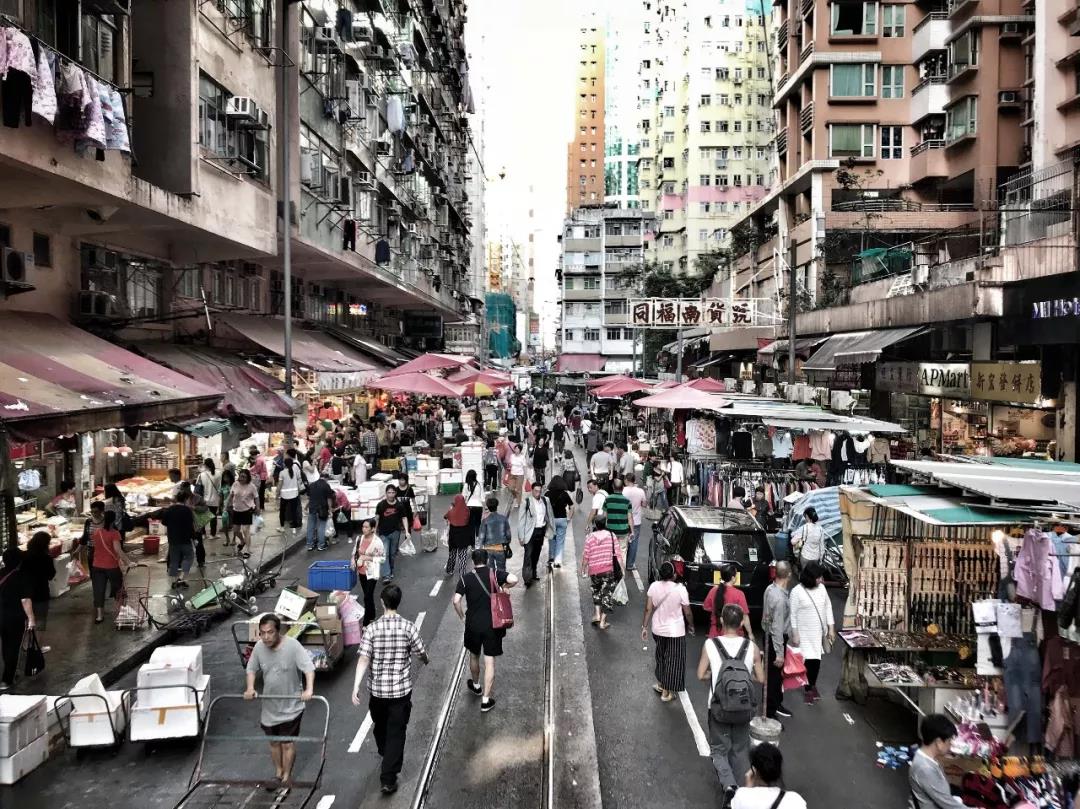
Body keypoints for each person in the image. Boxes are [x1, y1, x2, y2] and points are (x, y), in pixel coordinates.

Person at [352, 583, 429, 795]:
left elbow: (363, 659)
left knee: (380, 725)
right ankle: (389, 775)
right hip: (400, 692)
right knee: (397, 731)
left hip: (377, 692)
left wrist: (356, 685)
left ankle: (386, 765)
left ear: (382, 602)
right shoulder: (409, 627)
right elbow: (420, 651)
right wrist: (425, 659)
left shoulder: (372, 629)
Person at [698, 603, 764, 804]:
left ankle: (729, 785)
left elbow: (701, 675)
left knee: (718, 749)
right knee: (739, 749)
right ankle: (740, 794)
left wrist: (716, 675)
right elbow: (760, 678)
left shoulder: (711, 645)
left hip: (718, 707)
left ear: (721, 621)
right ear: (741, 623)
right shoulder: (751, 647)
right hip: (744, 707)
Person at [244, 613, 315, 792]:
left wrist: (309, 689)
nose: (266, 637)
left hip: (291, 706)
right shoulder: (259, 647)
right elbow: (251, 668)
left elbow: (308, 668)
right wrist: (250, 688)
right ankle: (278, 772)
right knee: (274, 743)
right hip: (270, 706)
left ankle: (286, 777)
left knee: (287, 743)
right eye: (262, 633)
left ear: (278, 632)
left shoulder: (293, 646)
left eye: (270, 632)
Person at [453, 549, 518, 713]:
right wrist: (503, 586)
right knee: (489, 662)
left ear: (473, 561)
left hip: (473, 624)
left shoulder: (465, 578)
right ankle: (486, 700)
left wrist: (462, 617)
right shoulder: (495, 574)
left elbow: (456, 601)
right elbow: (515, 579)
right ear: (487, 559)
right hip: (492, 625)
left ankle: (476, 685)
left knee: (474, 655)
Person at [642, 561, 693, 702]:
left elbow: (648, 609)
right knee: (673, 660)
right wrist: (691, 625)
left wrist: (644, 627)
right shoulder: (680, 589)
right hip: (675, 632)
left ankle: (660, 683)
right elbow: (687, 612)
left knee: (661, 657)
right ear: (674, 575)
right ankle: (666, 693)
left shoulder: (654, 587)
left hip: (657, 630)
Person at [788, 561, 835, 704]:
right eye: (819, 577)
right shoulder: (797, 591)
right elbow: (792, 614)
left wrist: (831, 627)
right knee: (806, 661)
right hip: (804, 633)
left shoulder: (821, 589)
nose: (821, 580)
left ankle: (811, 686)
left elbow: (828, 607)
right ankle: (808, 687)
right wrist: (795, 633)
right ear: (810, 577)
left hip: (818, 633)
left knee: (816, 661)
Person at [909, 714, 965, 808]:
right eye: (949, 740)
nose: (951, 744)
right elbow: (950, 806)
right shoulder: (925, 769)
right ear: (938, 742)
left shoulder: (926, 758)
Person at [0, 547, 36, 691]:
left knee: (4, 646)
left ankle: (8, 675)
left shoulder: (1, 573)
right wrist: (31, 618)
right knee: (12, 648)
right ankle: (6, 680)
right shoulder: (21, 576)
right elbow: (25, 600)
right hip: (14, 618)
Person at [731, 743, 807, 809]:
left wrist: (748, 788)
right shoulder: (795, 800)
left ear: (754, 771)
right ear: (778, 771)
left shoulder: (741, 796)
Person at [90, 511, 135, 622]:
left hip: (97, 565)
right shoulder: (114, 533)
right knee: (119, 589)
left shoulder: (96, 532)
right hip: (111, 566)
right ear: (114, 520)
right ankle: (121, 612)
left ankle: (99, 616)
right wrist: (129, 562)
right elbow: (118, 550)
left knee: (98, 590)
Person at [762, 561, 793, 720]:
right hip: (776, 639)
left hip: (768, 635)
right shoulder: (780, 599)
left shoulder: (770, 589)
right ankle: (770, 712)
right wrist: (779, 653)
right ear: (788, 574)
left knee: (775, 676)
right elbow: (777, 628)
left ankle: (775, 703)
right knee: (773, 678)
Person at [580, 517, 623, 630]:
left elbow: (586, 555)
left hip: (594, 570)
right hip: (608, 570)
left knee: (596, 591)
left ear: (595, 524)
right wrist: (622, 569)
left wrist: (583, 568)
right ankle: (603, 621)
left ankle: (597, 614)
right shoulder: (612, 536)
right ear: (606, 523)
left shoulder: (590, 537)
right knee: (607, 594)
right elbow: (617, 554)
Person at [22, 531, 55, 652]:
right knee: (40, 620)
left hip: (25, 592)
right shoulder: (46, 558)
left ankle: (26, 645)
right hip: (41, 592)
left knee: (27, 619)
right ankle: (37, 647)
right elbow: (51, 575)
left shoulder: (24, 556)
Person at [703, 564, 752, 638]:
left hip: (715, 633)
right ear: (733, 578)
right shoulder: (739, 594)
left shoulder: (713, 590)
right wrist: (750, 633)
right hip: (734, 634)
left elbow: (706, 607)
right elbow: (745, 616)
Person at [160, 490, 197, 590]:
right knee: (189, 557)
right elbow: (190, 526)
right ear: (185, 499)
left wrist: (173, 525)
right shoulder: (187, 510)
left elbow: (164, 522)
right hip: (185, 539)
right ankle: (182, 578)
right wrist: (194, 538)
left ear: (176, 499)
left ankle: (174, 581)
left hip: (173, 539)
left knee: (174, 561)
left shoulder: (170, 509)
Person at [517, 482, 552, 587]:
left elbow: (549, 515)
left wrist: (550, 529)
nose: (538, 493)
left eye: (539, 491)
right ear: (532, 490)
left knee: (536, 554)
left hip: (540, 531)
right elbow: (521, 520)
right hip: (530, 533)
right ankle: (527, 579)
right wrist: (521, 536)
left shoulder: (545, 501)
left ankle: (533, 574)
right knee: (528, 555)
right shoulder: (526, 502)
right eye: (536, 491)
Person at [352, 519, 384, 627]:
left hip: (372, 572)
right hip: (361, 571)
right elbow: (355, 552)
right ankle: (372, 614)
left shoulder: (377, 542)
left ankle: (366, 622)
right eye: (363, 527)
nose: (364, 529)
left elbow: (382, 559)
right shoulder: (359, 539)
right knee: (367, 595)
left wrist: (367, 558)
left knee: (367, 596)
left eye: (366, 527)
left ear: (373, 529)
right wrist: (353, 560)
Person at [375, 484, 411, 582]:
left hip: (395, 532)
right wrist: (374, 532)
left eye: (392, 492)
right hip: (383, 533)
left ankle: (390, 570)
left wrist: (407, 531)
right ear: (386, 493)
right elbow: (377, 518)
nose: (391, 495)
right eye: (389, 492)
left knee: (392, 554)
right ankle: (386, 575)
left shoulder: (399, 505)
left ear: (395, 493)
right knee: (384, 553)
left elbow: (404, 518)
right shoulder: (381, 505)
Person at [227, 468, 260, 555]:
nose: (241, 478)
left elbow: (256, 497)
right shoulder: (235, 484)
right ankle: (242, 541)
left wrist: (258, 508)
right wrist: (226, 506)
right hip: (236, 510)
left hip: (247, 510)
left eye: (244, 477)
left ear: (247, 478)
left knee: (246, 530)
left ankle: (247, 549)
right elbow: (231, 495)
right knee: (236, 530)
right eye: (240, 476)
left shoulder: (251, 486)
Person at [304, 464, 334, 553]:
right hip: (322, 509)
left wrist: (306, 507)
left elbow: (310, 498)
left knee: (310, 526)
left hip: (312, 508)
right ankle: (321, 545)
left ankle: (310, 545)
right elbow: (329, 499)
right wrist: (330, 510)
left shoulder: (312, 485)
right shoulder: (326, 486)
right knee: (321, 526)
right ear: (326, 478)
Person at [477, 496, 512, 572]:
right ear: (497, 506)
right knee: (501, 570)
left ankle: (492, 583)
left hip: (488, 549)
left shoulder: (485, 521)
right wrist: (507, 542)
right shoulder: (503, 519)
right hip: (500, 548)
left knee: (490, 570)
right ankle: (501, 583)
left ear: (488, 507)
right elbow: (508, 534)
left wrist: (480, 548)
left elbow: (481, 536)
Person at [546, 478, 574, 569]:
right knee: (560, 541)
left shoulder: (547, 494)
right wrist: (569, 518)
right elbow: (572, 506)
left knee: (551, 539)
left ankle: (551, 558)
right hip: (562, 519)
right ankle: (558, 561)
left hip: (551, 520)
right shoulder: (565, 494)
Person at [444, 494, 473, 579]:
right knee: (463, 556)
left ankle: (450, 570)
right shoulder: (467, 510)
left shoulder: (451, 511)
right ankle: (462, 573)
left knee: (452, 554)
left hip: (453, 537)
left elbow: (446, 517)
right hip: (464, 537)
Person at [277, 450, 303, 542]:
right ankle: (294, 528)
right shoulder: (295, 471)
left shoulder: (282, 473)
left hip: (284, 496)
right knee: (293, 511)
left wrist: (277, 494)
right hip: (294, 494)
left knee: (282, 512)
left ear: (284, 464)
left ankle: (282, 527)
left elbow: (280, 485)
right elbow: (299, 480)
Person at [622, 473, 646, 571]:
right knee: (634, 543)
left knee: (623, 542)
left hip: (624, 520)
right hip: (636, 521)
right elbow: (644, 504)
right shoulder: (640, 491)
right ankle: (630, 564)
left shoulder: (623, 491)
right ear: (634, 480)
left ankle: (621, 563)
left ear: (626, 480)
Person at [603, 479, 632, 556]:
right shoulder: (627, 501)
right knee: (622, 551)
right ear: (623, 488)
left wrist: (604, 529)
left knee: (610, 551)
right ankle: (622, 568)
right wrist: (632, 531)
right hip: (623, 531)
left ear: (612, 487)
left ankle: (611, 567)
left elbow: (604, 516)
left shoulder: (607, 499)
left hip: (610, 531)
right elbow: (630, 518)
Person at [196, 459, 222, 539]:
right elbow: (219, 487)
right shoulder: (218, 474)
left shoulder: (201, 475)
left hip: (204, 499)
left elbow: (197, 487)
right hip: (214, 499)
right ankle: (212, 534)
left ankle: (203, 534)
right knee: (213, 517)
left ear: (205, 465)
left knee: (203, 517)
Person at [102, 482, 129, 547]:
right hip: (121, 525)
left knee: (113, 545)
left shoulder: (108, 502)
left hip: (112, 525)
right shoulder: (121, 499)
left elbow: (106, 513)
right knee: (120, 543)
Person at [248, 446, 270, 511]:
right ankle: (261, 506)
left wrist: (249, 471)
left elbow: (257, 470)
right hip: (263, 476)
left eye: (252, 457)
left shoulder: (259, 460)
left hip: (262, 478)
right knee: (261, 492)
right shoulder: (260, 458)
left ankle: (261, 507)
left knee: (260, 493)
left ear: (254, 455)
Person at [464, 469, 484, 539]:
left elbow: (463, 496)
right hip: (479, 506)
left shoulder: (466, 485)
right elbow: (482, 497)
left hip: (470, 506)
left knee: (470, 524)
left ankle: (471, 540)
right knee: (478, 523)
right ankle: (477, 538)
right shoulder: (479, 484)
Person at [219, 465, 236, 546]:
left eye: (227, 477)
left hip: (234, 507)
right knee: (224, 523)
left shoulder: (235, 485)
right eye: (224, 477)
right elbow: (221, 497)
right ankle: (227, 539)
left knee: (235, 524)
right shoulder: (222, 487)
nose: (226, 479)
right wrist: (219, 507)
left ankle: (234, 539)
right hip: (225, 507)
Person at [508, 444, 527, 508]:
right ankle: (515, 497)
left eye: (517, 449)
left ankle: (518, 502)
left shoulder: (522, 457)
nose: (516, 450)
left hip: (520, 475)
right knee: (511, 488)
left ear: (520, 450)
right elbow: (510, 464)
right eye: (515, 448)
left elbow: (524, 466)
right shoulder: (512, 456)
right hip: (512, 474)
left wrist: (526, 475)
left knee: (518, 489)